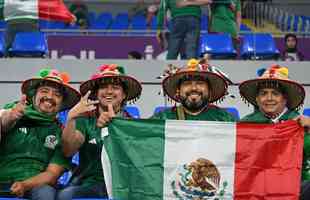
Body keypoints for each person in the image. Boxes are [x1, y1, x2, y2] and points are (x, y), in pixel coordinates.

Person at [58, 64, 142, 200]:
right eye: (103, 87)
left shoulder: (132, 124)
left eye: (115, 88)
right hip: (90, 184)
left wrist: (116, 127)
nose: (109, 91)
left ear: (124, 95)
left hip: (123, 186)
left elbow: (136, 159)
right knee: (65, 196)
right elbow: (68, 151)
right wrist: (71, 118)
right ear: (96, 93)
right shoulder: (84, 119)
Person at [0, 68, 80, 200]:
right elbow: (3, 122)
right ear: (33, 96)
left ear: (62, 104)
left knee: (46, 194)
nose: (49, 97)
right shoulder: (14, 110)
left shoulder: (63, 133)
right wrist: (11, 117)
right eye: (44, 91)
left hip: (34, 185)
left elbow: (52, 174)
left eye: (57, 95)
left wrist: (24, 185)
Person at [238, 64, 310, 200]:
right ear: (257, 99)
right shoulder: (244, 124)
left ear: (285, 98)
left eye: (275, 94)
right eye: (263, 93)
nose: (269, 98)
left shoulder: (300, 124)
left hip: (296, 188)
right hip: (253, 189)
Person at [152, 58, 235, 122]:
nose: (194, 88)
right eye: (187, 83)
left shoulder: (225, 120)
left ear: (210, 90)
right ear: (178, 90)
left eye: (200, 83)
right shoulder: (161, 119)